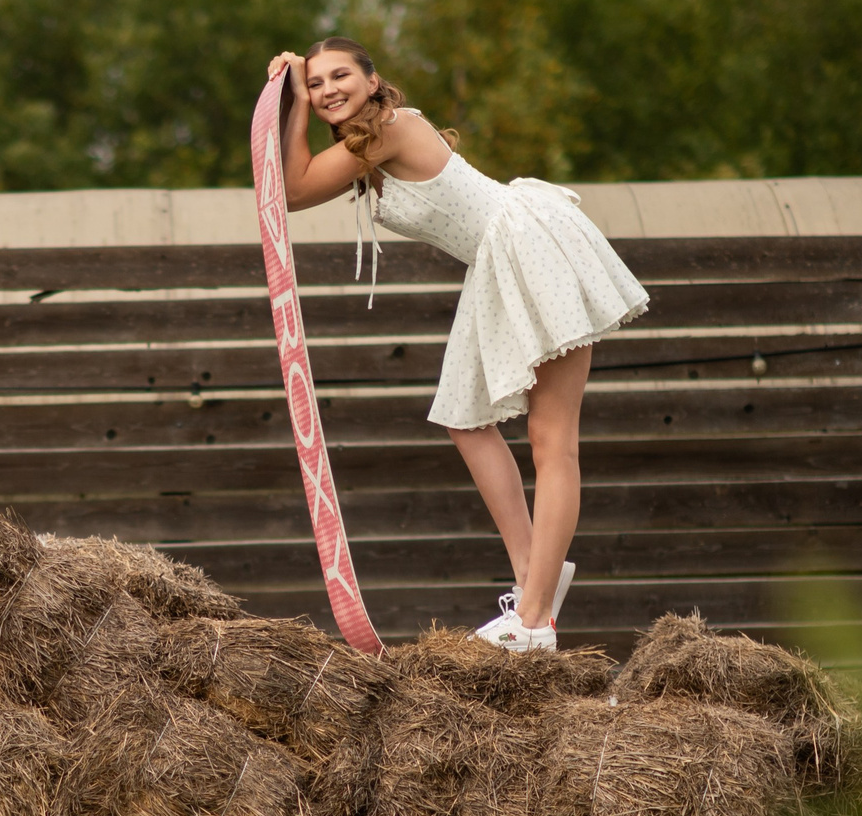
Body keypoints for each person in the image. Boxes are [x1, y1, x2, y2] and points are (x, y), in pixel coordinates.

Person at [267, 38, 647, 651]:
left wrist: (293, 105)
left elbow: (296, 189)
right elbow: (291, 189)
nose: (329, 89)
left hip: (526, 244)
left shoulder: (389, 128)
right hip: (501, 258)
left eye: (341, 76)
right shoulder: (368, 142)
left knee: (552, 441)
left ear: (372, 81)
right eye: (315, 84)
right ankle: (535, 587)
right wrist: (290, 100)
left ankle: (532, 619)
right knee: (464, 420)